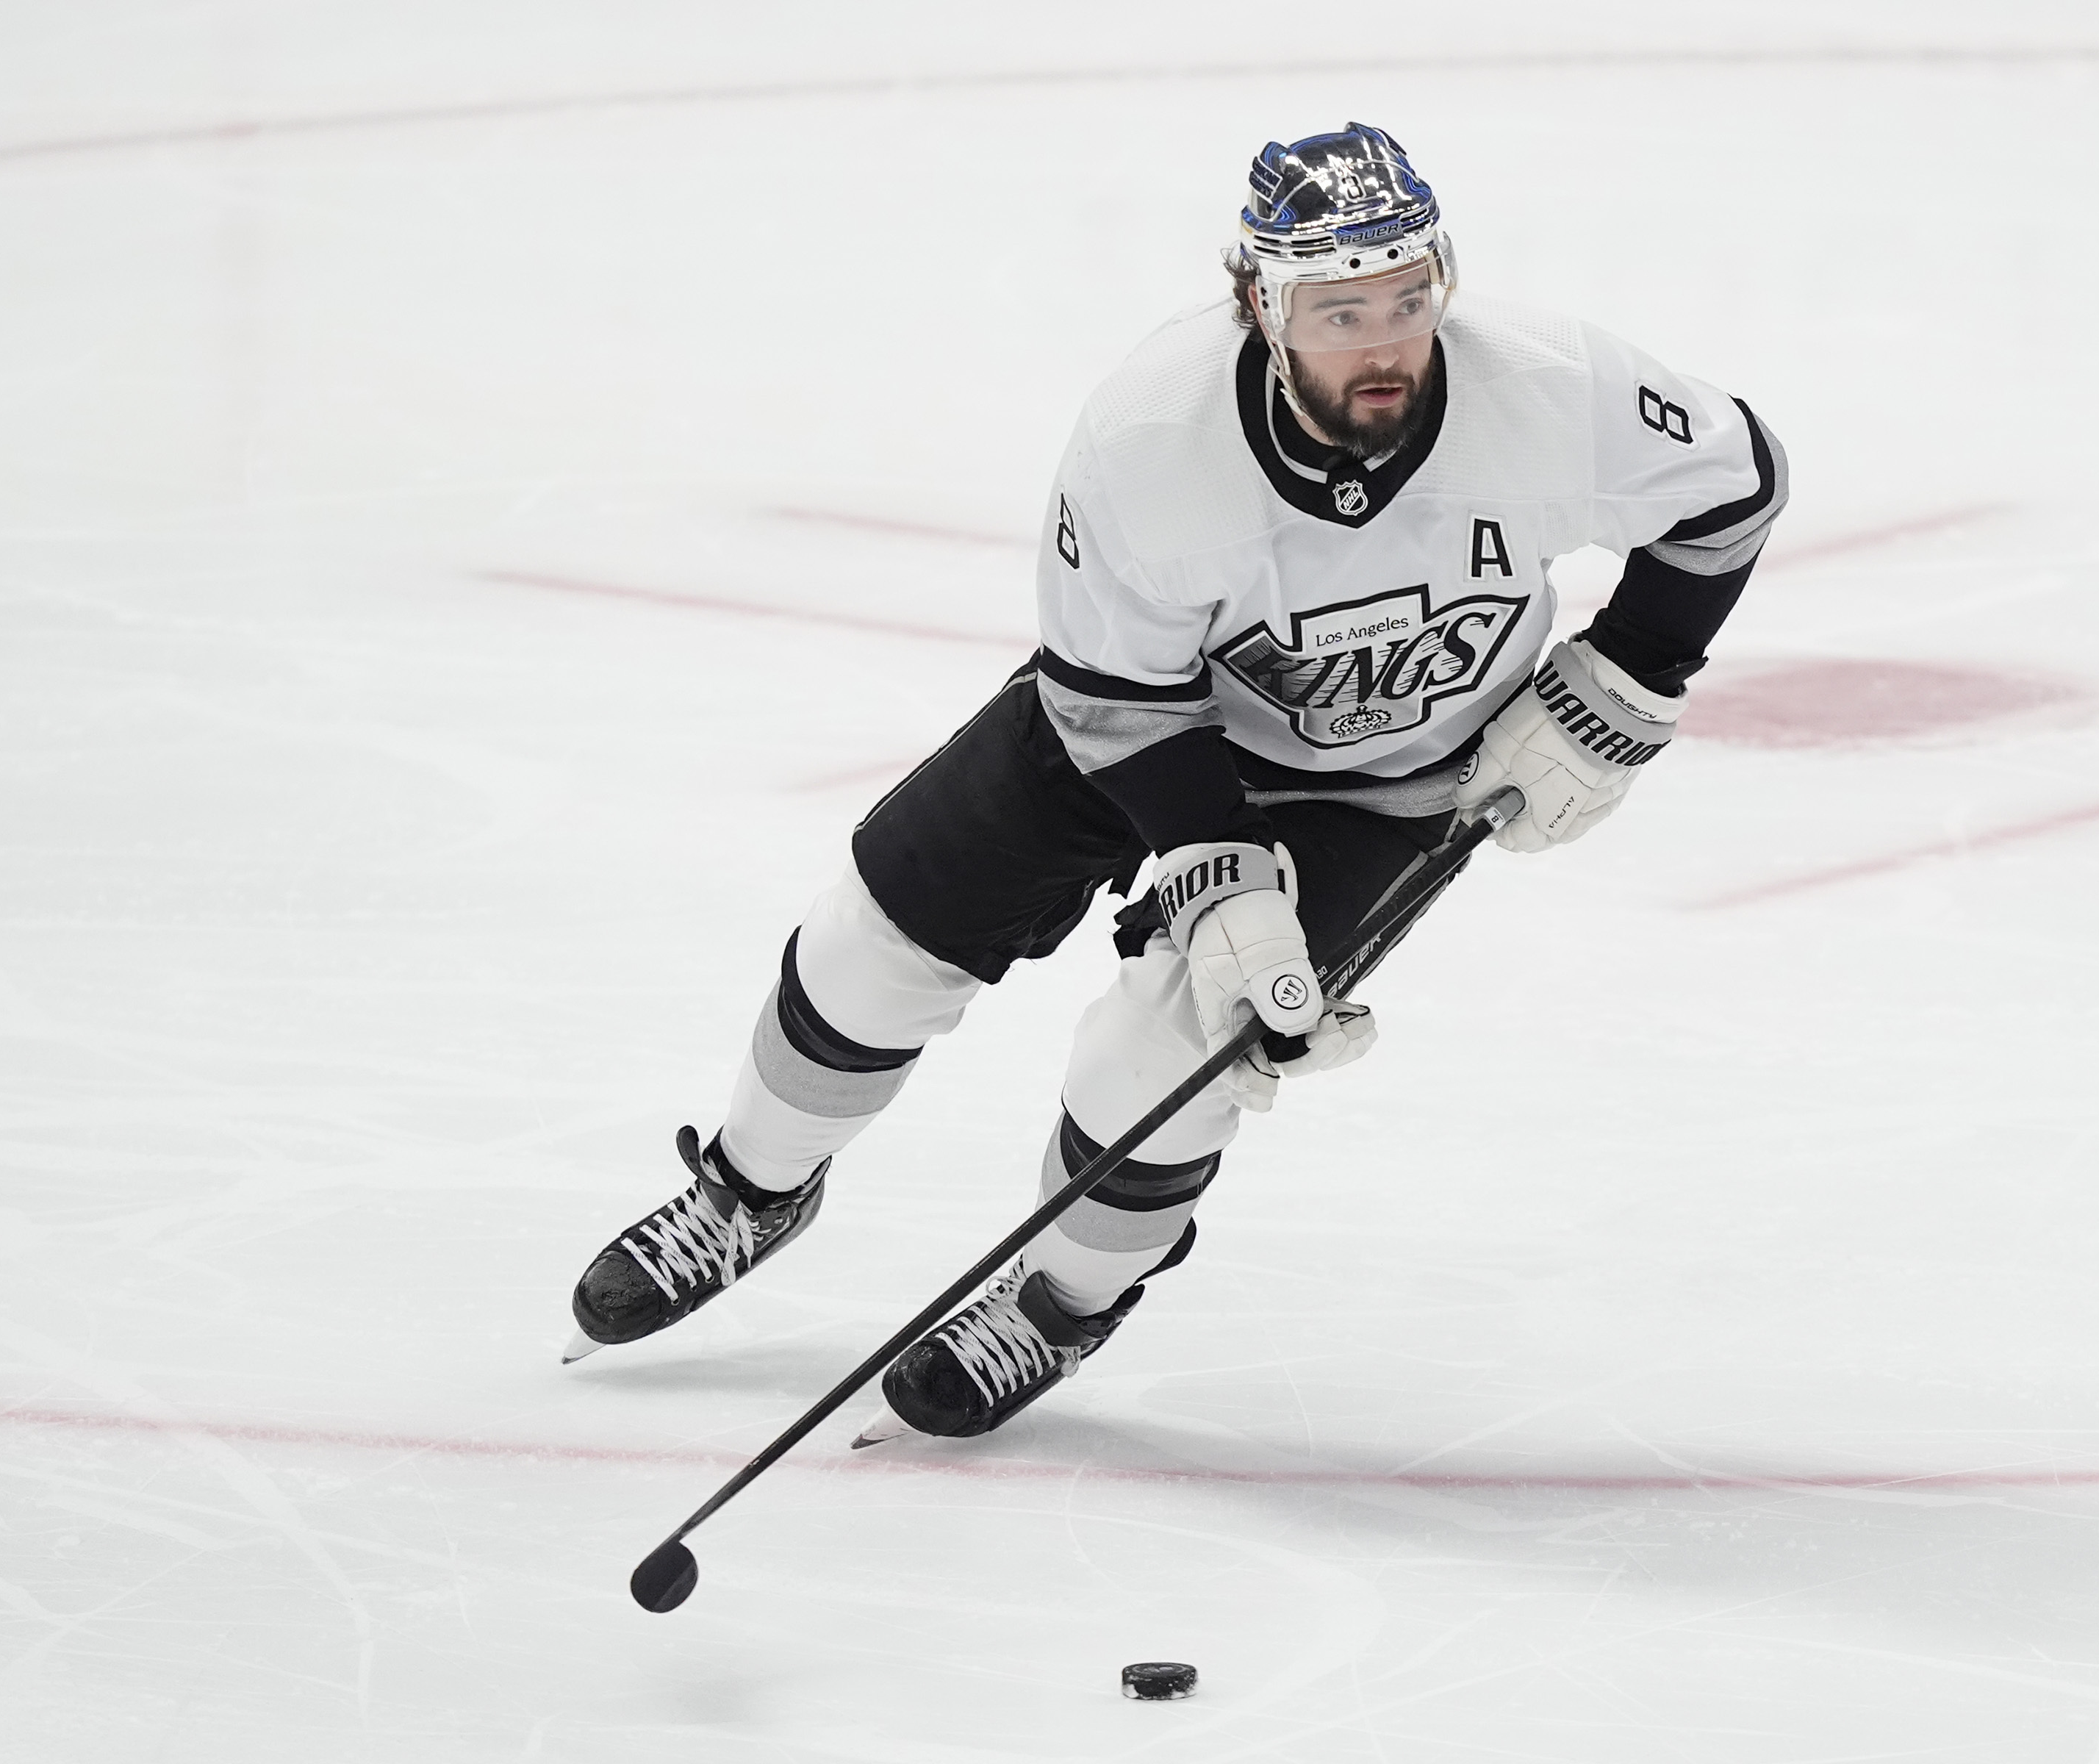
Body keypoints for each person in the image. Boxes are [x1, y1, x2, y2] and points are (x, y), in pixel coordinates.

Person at [562, 122, 1788, 1446]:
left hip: (1383, 781)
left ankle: (1059, 1302)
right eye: (1338, 309)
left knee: (1171, 1057)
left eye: (1408, 297)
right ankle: (752, 1188)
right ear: (1260, 303)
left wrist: (1629, 677)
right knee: (880, 932)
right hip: (1140, 725)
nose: (1383, 341)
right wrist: (1216, 873)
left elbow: (1734, 489)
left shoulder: (1556, 383)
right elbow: (1112, 698)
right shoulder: (1152, 435)